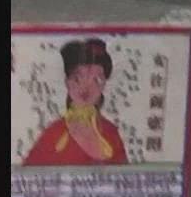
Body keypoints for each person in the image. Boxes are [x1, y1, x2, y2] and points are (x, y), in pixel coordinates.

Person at [23, 38, 129, 167]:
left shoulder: (110, 132)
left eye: (96, 80)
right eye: (77, 79)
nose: (86, 88)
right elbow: (27, 174)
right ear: (67, 82)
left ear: (104, 86)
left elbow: (126, 175)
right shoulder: (54, 132)